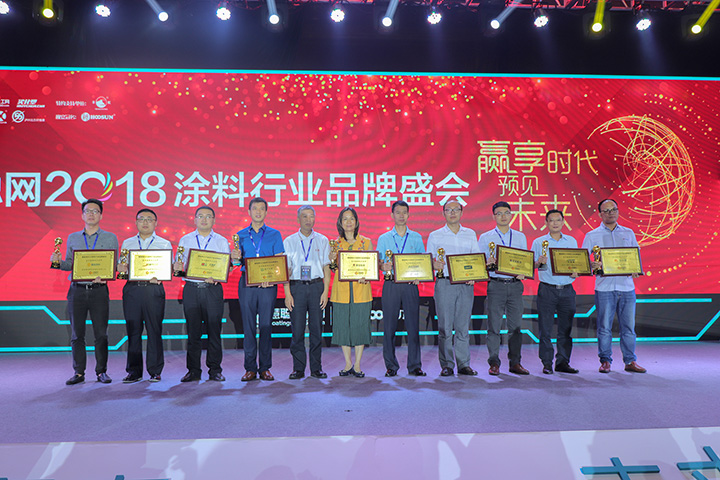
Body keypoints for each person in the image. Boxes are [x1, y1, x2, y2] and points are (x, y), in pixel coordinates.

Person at [51, 199, 118, 386]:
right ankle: (79, 372)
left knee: (101, 334)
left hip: (99, 291)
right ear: (82, 215)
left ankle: (101, 371)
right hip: (77, 291)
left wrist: (108, 274)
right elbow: (69, 264)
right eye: (88, 211)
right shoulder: (73, 237)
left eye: (95, 211)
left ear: (101, 215)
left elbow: (113, 265)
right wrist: (57, 262)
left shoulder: (110, 238)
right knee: (76, 334)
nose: (91, 214)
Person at [582, 199, 646, 374]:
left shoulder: (628, 232)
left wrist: (636, 269)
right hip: (604, 288)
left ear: (618, 211)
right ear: (600, 214)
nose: (611, 213)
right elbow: (583, 260)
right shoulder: (592, 235)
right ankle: (605, 361)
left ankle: (630, 361)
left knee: (629, 328)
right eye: (606, 210)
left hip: (627, 287)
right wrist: (591, 265)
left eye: (614, 209)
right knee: (604, 328)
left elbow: (635, 256)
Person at [231, 197, 285, 382]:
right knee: (248, 326)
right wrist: (235, 258)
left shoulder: (275, 234)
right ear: (249, 212)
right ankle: (250, 368)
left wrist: (272, 278)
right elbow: (236, 263)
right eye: (255, 208)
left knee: (266, 326)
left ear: (266, 212)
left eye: (262, 208)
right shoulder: (240, 235)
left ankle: (265, 368)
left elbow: (279, 260)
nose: (258, 212)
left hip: (268, 285)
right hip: (247, 284)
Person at [175, 206, 230, 382]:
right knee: (193, 333)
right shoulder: (185, 239)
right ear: (194, 219)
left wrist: (218, 275)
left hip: (212, 290)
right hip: (191, 289)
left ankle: (215, 370)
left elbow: (227, 266)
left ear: (214, 220)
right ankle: (193, 370)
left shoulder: (221, 241)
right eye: (200, 216)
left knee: (214, 331)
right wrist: (177, 268)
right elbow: (179, 268)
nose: (204, 219)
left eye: (208, 216)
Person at [117, 208, 172, 383]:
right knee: (133, 331)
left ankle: (155, 370)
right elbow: (122, 266)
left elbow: (169, 268)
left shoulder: (164, 244)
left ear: (156, 223)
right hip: (132, 289)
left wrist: (163, 274)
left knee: (154, 330)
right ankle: (134, 371)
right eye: (141, 219)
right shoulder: (127, 243)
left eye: (149, 219)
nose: (145, 222)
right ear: (136, 222)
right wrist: (120, 268)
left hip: (153, 290)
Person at [426, 200, 480, 377]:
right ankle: (447, 364)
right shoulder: (435, 235)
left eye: (456, 209)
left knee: (463, 327)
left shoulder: (470, 233)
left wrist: (474, 274)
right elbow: (428, 261)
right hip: (444, 284)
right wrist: (434, 264)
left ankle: (464, 364)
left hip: (465, 285)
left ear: (462, 212)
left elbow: (476, 258)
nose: (452, 212)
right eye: (448, 210)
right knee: (445, 327)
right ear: (443, 213)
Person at [478, 201, 529, 376]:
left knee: (515, 327)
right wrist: (487, 263)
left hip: (515, 286)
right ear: (494, 216)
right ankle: (494, 363)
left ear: (511, 215)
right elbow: (480, 263)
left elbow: (524, 261)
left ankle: (515, 363)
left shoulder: (520, 236)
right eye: (499, 213)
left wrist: (524, 271)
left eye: (506, 213)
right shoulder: (485, 237)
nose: (503, 216)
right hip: (496, 285)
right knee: (494, 326)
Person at [377, 200, 427, 377]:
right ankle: (391, 366)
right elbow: (378, 263)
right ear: (392, 215)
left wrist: (419, 275)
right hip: (391, 284)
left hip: (410, 285)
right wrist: (382, 266)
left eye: (404, 212)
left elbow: (422, 262)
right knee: (389, 327)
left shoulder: (416, 237)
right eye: (397, 212)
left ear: (408, 215)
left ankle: (415, 365)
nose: (401, 215)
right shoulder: (384, 238)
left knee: (413, 326)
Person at [283, 206, 331, 380]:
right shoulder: (289, 241)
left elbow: (326, 268)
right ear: (298, 219)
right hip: (297, 288)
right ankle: (298, 368)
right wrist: (287, 294)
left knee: (316, 329)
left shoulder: (323, 240)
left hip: (316, 286)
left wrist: (325, 292)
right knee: (297, 330)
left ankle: (316, 368)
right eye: (304, 216)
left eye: (311, 216)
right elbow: (285, 270)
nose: (308, 220)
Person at [530, 209, 580, 375]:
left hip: (567, 290)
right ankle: (547, 363)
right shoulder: (539, 242)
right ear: (546, 223)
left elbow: (576, 263)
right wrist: (538, 263)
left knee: (565, 329)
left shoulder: (571, 241)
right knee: (545, 329)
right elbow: (530, 265)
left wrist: (577, 272)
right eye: (551, 220)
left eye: (558, 220)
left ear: (563, 222)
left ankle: (563, 362)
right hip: (547, 289)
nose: (555, 223)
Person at [329, 207, 373, 378]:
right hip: (341, 291)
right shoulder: (335, 244)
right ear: (340, 223)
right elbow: (333, 268)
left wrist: (367, 276)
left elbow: (371, 266)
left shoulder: (366, 242)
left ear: (356, 222)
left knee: (360, 326)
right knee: (343, 327)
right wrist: (331, 258)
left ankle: (358, 364)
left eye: (351, 218)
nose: (348, 222)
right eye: (345, 219)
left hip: (361, 290)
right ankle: (347, 363)